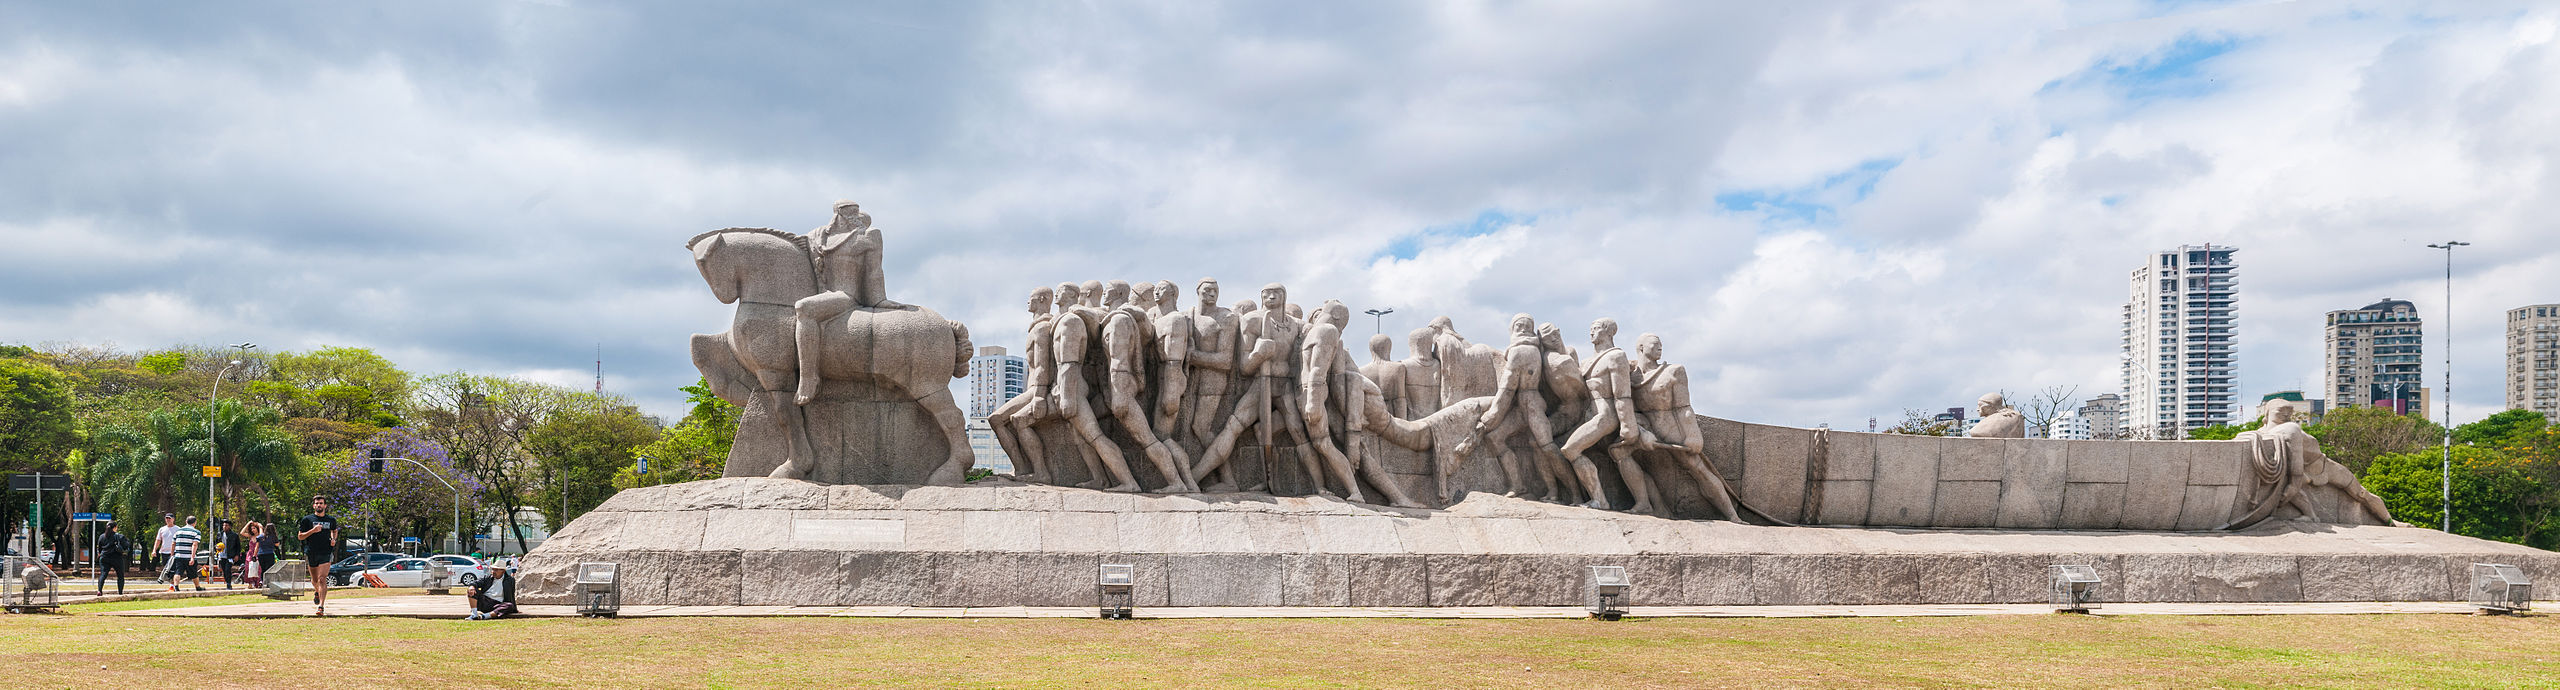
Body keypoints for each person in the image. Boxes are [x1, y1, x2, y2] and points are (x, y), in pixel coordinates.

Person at [297, 496, 341, 616]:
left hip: (326, 551)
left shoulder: (331, 519)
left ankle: (321, 606)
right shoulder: (307, 520)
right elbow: (300, 536)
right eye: (316, 503)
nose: (319, 505)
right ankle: (317, 591)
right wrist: (313, 531)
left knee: (322, 579)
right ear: (313, 506)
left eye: (321, 503)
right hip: (312, 552)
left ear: (325, 506)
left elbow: (334, 530)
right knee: (315, 580)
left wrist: (333, 539)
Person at [167, 516, 203, 592]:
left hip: (179, 555)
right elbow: (194, 545)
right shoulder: (196, 532)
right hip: (189, 556)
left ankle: (176, 587)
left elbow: (173, 543)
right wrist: (192, 557)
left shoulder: (178, 531)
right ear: (195, 522)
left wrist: (172, 554)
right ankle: (197, 587)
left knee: (178, 572)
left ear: (186, 521)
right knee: (193, 573)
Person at [96, 523, 131, 595]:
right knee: (120, 575)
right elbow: (126, 546)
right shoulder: (119, 536)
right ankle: (120, 592)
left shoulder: (102, 536)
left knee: (103, 574)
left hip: (104, 557)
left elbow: (99, 548)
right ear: (114, 527)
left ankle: (99, 590)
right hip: (116, 558)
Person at [150, 513, 177, 584]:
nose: (168, 520)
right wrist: (154, 550)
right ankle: (171, 583)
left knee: (171, 569)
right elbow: (158, 540)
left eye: (169, 518)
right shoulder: (162, 529)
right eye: (166, 518)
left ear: (173, 519)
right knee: (166, 569)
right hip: (164, 552)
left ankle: (172, 585)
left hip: (174, 552)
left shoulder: (178, 529)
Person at [252, 521, 279, 587]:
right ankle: (267, 582)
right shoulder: (273, 537)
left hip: (261, 554)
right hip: (269, 554)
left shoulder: (260, 537)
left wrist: (254, 555)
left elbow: (257, 547)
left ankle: (262, 580)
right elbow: (277, 544)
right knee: (269, 569)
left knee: (263, 569)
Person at [239, 522, 265, 587]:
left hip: (258, 554)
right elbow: (242, 532)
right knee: (248, 568)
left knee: (258, 569)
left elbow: (261, 535)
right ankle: (250, 583)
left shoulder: (260, 536)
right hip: (250, 554)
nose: (253, 530)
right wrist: (248, 524)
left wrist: (260, 527)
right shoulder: (251, 536)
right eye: (252, 528)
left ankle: (258, 583)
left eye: (254, 528)